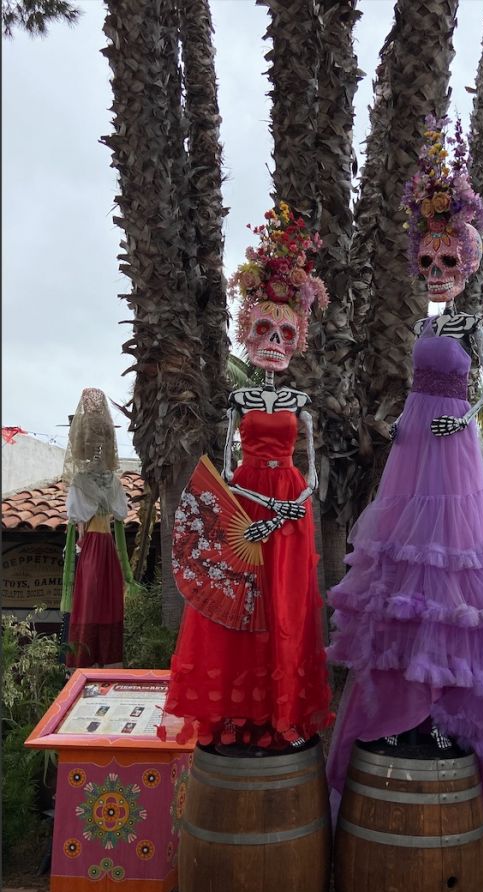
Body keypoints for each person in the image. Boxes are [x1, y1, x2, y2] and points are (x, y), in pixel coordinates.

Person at [326, 118, 483, 892]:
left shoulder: (461, 327)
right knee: (409, 582)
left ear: (467, 262)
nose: (435, 273)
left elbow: (478, 395)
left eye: (447, 262)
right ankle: (407, 715)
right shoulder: (428, 327)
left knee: (455, 580)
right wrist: (409, 424)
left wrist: (451, 424)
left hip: (451, 462)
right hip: (415, 458)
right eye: (426, 262)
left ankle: (442, 717)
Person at [160, 203, 333, 752]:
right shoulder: (238, 401)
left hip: (289, 507)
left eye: (285, 332)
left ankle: (282, 714)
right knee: (238, 605)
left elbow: (313, 473)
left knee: (284, 606)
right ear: (249, 334)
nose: (274, 340)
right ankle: (237, 714)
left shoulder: (301, 403)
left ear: (297, 338)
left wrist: (290, 506)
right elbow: (225, 466)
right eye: (264, 329)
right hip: (246, 505)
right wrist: (256, 506)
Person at [62, 388, 135, 670]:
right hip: (103, 545)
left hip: (94, 545)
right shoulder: (110, 482)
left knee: (92, 600)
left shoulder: (82, 482)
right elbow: (120, 512)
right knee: (102, 600)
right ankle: (102, 660)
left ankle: (88, 660)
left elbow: (77, 515)